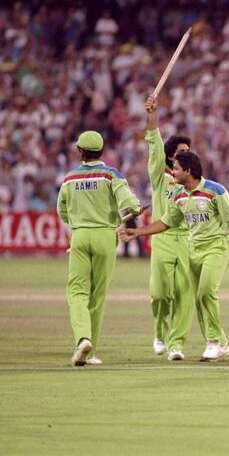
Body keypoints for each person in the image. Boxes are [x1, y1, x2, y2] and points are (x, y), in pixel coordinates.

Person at [120, 151, 229, 362]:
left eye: (176, 168)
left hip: (216, 247)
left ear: (188, 171)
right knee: (199, 297)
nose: (172, 171)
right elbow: (167, 222)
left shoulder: (215, 190)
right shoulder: (179, 195)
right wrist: (138, 232)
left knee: (206, 291)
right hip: (193, 248)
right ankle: (220, 342)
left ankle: (213, 342)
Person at [57, 130, 142, 366]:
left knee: (77, 292)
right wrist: (134, 208)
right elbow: (129, 201)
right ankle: (91, 350)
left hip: (80, 235)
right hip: (106, 236)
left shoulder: (69, 178)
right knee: (98, 295)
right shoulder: (111, 174)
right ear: (101, 151)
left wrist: (78, 217)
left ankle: (83, 339)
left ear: (81, 152)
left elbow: (62, 211)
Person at [144, 95, 193, 361]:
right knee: (160, 294)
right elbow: (153, 144)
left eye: (188, 152)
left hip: (187, 239)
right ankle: (160, 333)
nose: (185, 156)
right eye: (181, 153)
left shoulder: (194, 180)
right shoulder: (159, 176)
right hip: (162, 237)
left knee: (185, 293)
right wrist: (152, 114)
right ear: (170, 157)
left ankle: (177, 343)